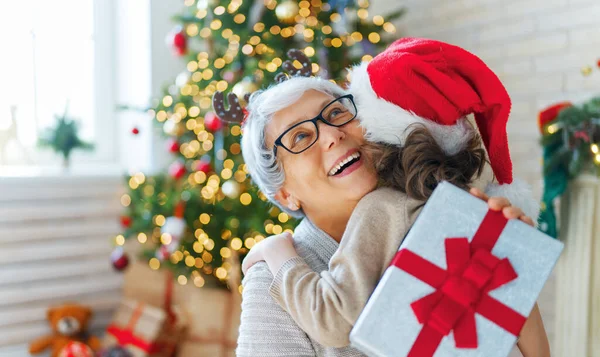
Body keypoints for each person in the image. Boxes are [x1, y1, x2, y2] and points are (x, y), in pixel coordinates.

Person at [234, 39, 548, 357]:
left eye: (336, 113)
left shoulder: (434, 216)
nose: (332, 135)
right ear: (285, 194)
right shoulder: (271, 284)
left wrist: (509, 258)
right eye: (300, 136)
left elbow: (507, 328)